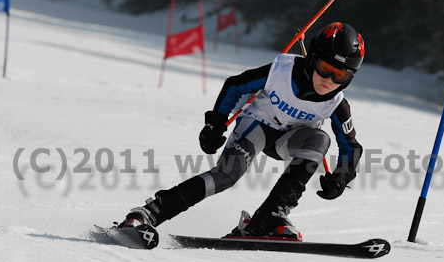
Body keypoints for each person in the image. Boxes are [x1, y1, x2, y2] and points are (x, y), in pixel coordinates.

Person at [118, 22, 364, 241]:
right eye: (324, 68)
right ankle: (149, 213)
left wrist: (341, 175)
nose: (329, 80)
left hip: (289, 140)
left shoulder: (336, 104)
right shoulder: (281, 71)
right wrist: (215, 123)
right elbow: (236, 86)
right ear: (312, 58)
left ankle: (268, 218)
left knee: (320, 139)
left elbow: (350, 145)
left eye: (339, 75)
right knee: (226, 176)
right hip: (256, 127)